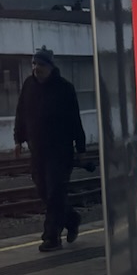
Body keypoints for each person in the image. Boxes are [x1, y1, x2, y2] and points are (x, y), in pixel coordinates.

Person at [14, 45, 86, 251]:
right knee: (44, 191)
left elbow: (75, 119)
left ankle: (52, 237)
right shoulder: (29, 85)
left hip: (60, 151)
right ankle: (71, 219)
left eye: (41, 64)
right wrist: (18, 139)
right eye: (34, 63)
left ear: (51, 67)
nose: (36, 68)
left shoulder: (65, 88)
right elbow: (21, 113)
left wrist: (81, 148)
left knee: (55, 192)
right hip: (37, 150)